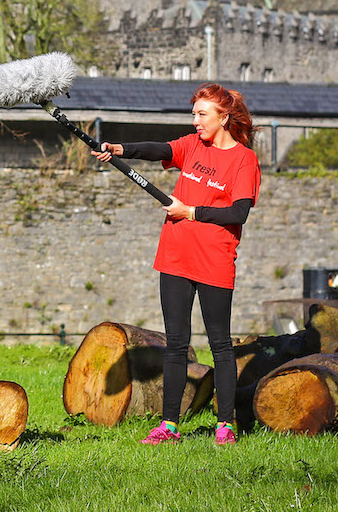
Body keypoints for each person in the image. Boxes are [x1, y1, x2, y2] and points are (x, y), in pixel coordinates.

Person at [92, 83, 260, 446]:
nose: (195, 121)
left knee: (220, 345)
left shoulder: (243, 159)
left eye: (202, 114)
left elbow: (239, 212)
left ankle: (225, 425)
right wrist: (122, 148)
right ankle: (169, 426)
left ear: (224, 117)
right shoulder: (193, 145)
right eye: (194, 114)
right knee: (176, 344)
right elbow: (161, 149)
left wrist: (191, 211)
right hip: (175, 256)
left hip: (214, 259)